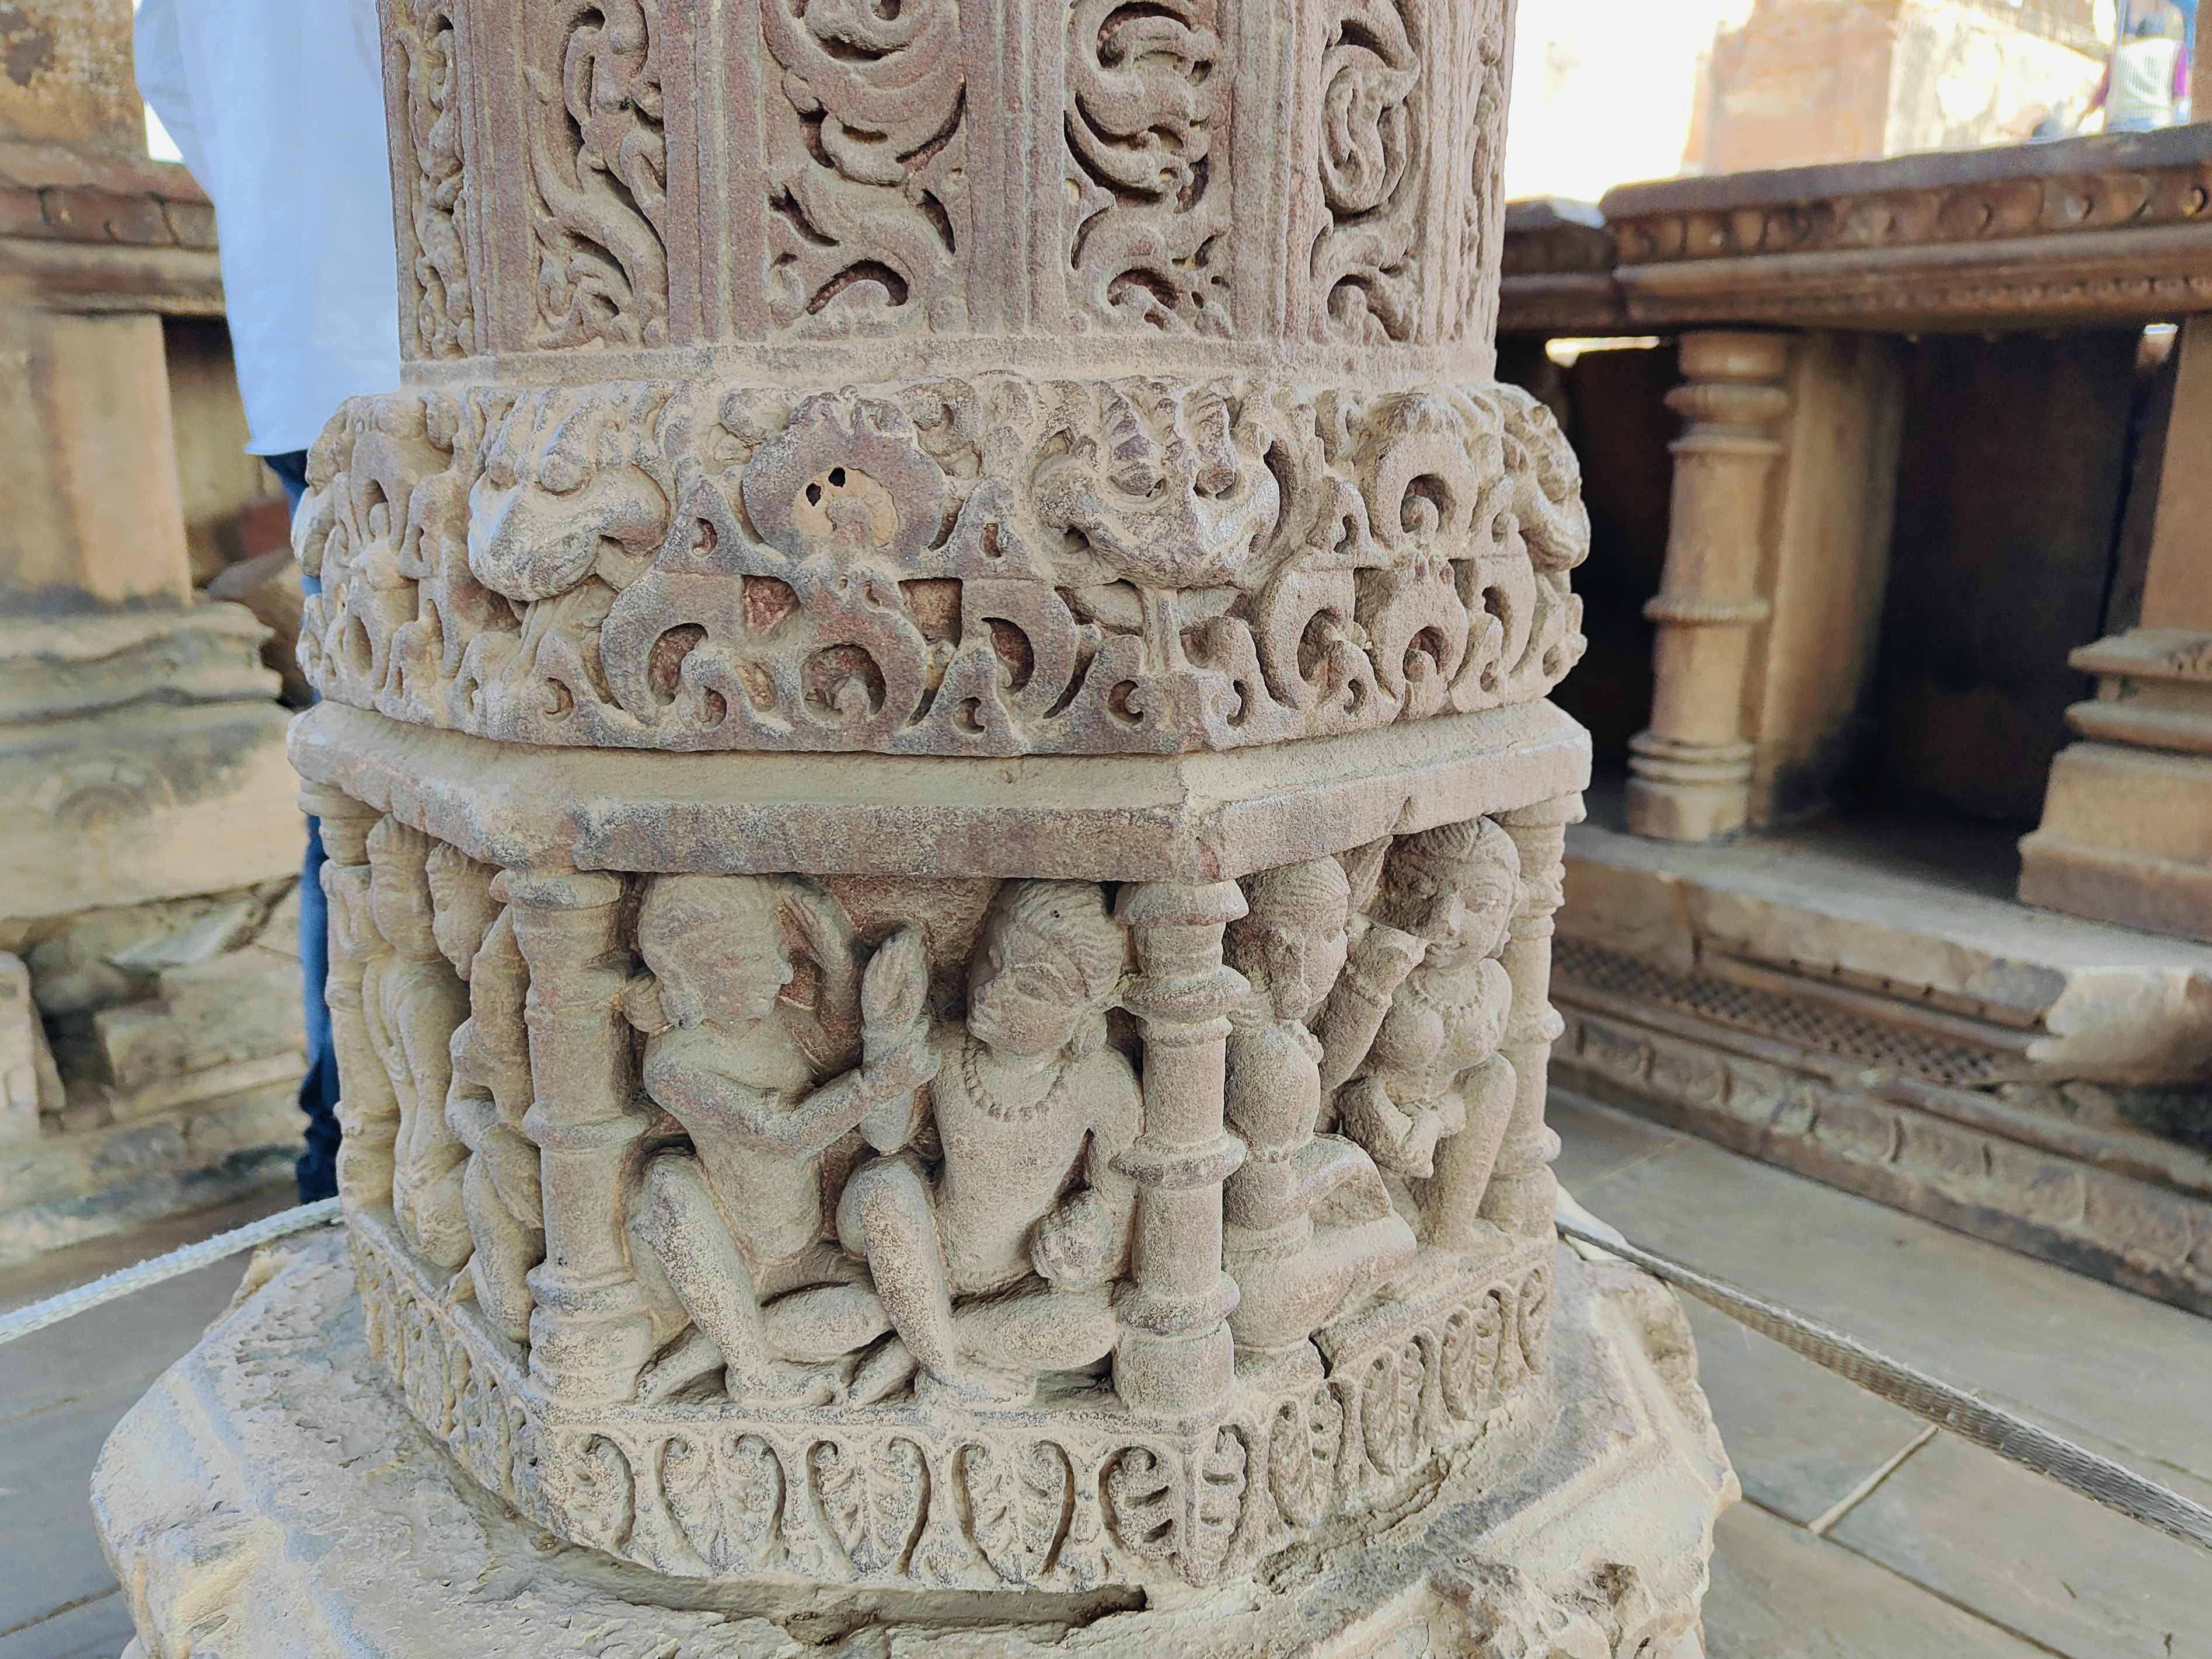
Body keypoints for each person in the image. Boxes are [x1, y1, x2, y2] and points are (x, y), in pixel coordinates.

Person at [133, 0, 402, 1202]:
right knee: (396, 760)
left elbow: (172, 81)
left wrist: (277, 199)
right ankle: (369, 1144)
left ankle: (342, 1144)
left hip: (301, 345)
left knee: (353, 758)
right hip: (427, 346)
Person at [2089, 7, 2190, 132]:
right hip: (2155, 123)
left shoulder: (2119, 53)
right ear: (2162, 33)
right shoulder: (2175, 49)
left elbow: (2101, 95)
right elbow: (2180, 92)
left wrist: (2087, 112)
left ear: (2137, 35)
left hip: (2117, 124)